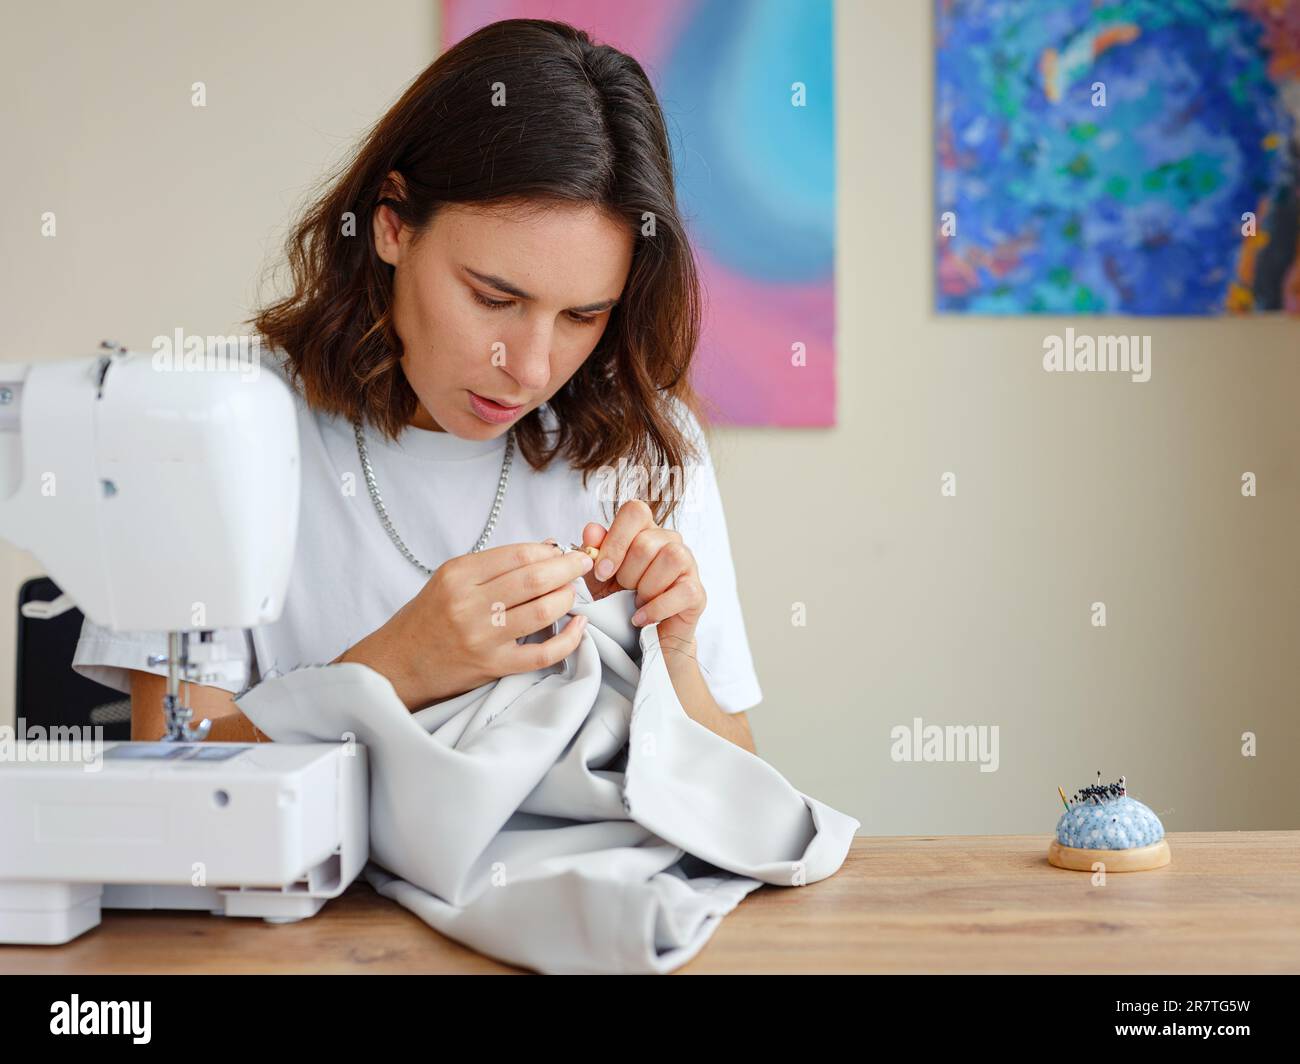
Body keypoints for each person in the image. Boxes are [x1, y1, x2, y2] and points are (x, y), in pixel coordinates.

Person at [72, 18, 761, 753]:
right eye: (494, 299)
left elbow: (739, 787)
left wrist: (677, 651)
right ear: (393, 225)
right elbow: (172, 775)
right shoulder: (209, 429)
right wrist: (397, 667)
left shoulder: (649, 445)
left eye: (583, 316)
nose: (530, 368)